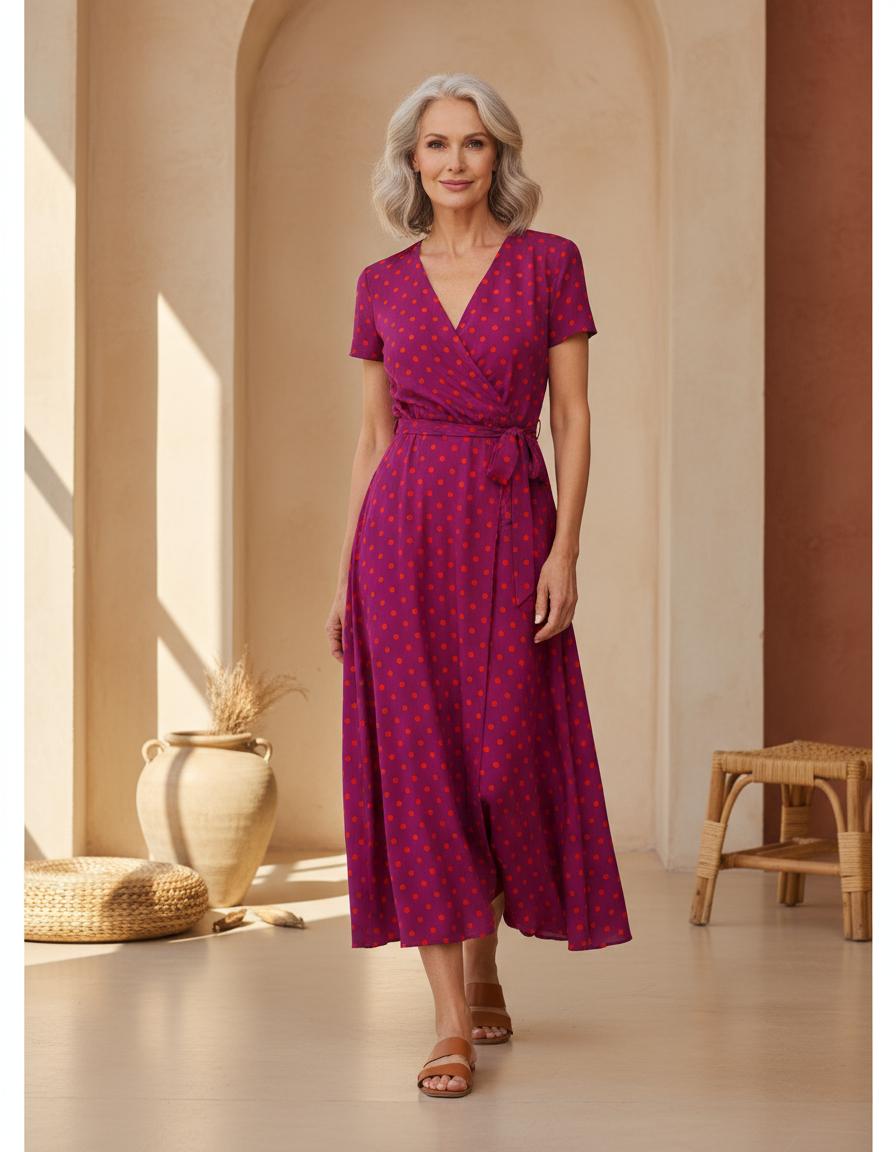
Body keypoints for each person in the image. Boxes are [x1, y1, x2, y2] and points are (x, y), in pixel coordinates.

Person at [326, 73, 631, 1099]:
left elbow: (572, 418)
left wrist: (565, 552)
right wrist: (344, 576)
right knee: (422, 775)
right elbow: (373, 439)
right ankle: (450, 1021)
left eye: (472, 143)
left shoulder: (549, 263)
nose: (453, 161)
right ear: (410, 162)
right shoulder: (380, 282)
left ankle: (489, 956)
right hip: (400, 542)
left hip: (509, 524)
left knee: (499, 764)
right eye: (435, 145)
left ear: (498, 156)